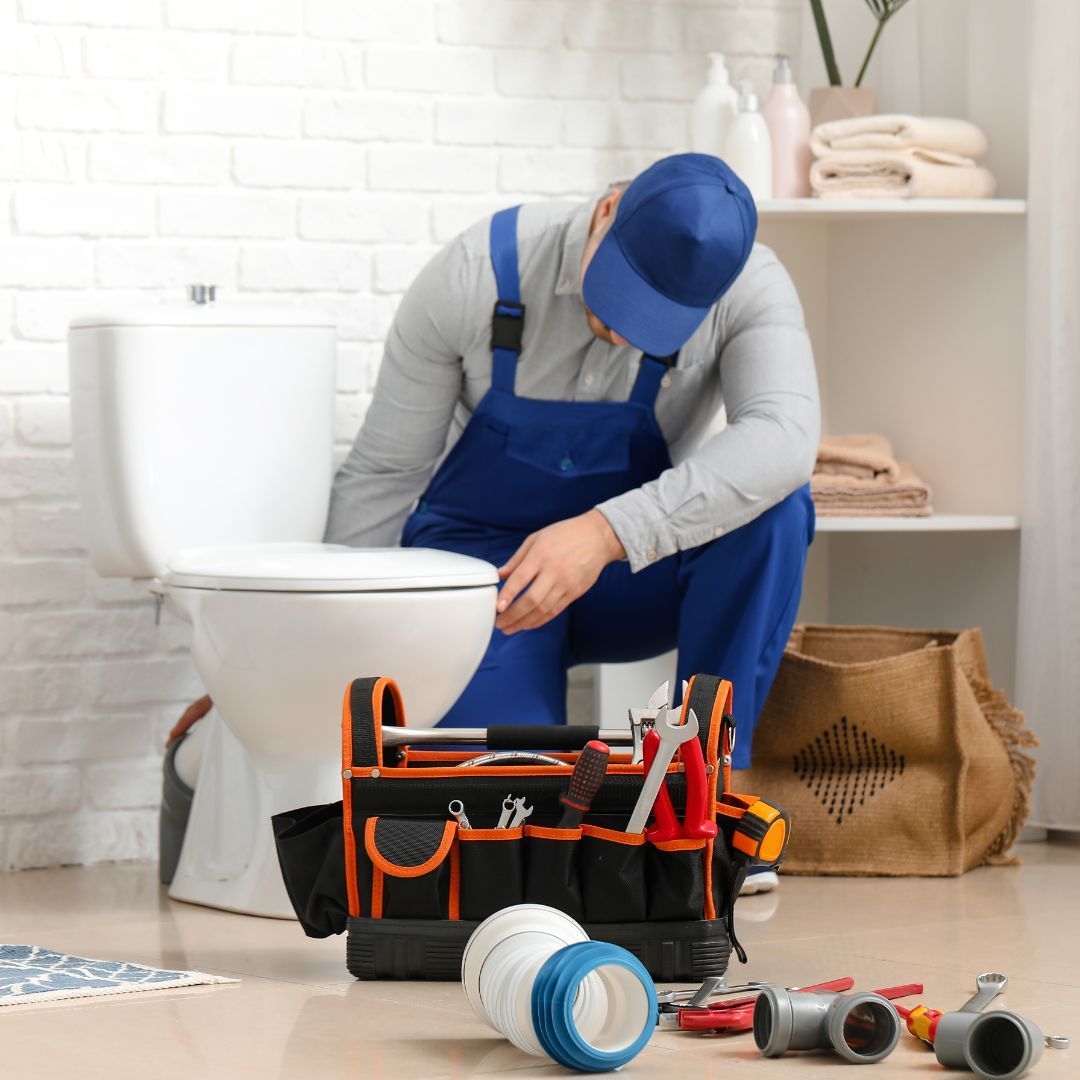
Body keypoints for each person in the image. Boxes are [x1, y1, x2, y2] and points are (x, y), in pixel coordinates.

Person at [328, 154, 820, 888]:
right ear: (604, 212)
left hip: (625, 572)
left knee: (776, 508)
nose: (622, 334)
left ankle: (709, 797)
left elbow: (785, 439)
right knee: (508, 824)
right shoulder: (475, 274)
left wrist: (604, 533)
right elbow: (384, 475)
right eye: (616, 300)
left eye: (655, 324)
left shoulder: (750, 286)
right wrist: (325, 650)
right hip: (488, 589)